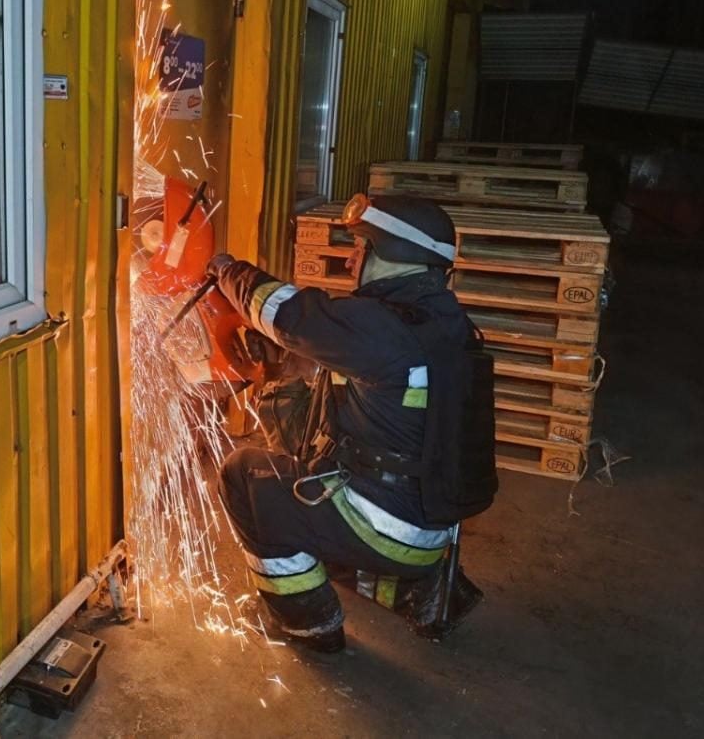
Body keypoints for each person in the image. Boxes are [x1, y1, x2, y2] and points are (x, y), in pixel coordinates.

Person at [207, 194, 496, 652]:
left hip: (387, 527)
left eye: (362, 248)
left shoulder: (383, 329)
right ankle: (417, 590)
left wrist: (227, 271)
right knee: (305, 456)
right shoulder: (441, 321)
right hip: (432, 525)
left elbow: (288, 314)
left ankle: (308, 623)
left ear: (394, 252)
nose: (351, 261)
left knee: (243, 475)